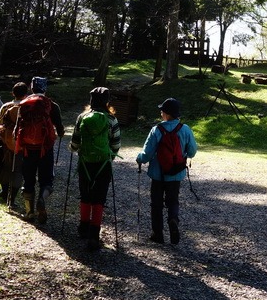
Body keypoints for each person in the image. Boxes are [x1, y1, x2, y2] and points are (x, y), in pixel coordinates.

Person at [136, 97, 197, 245]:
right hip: (176, 174)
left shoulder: (156, 130)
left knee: (156, 204)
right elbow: (192, 151)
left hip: (158, 174)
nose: (161, 113)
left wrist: (140, 159)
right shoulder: (185, 129)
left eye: (162, 111)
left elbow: (147, 153)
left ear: (166, 114)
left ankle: (157, 234)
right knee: (173, 200)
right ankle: (173, 219)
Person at [69, 87, 121, 250]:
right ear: (107, 101)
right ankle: (94, 235)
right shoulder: (112, 120)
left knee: (85, 196)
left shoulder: (82, 117)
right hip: (103, 165)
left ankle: (83, 228)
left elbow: (75, 143)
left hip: (85, 163)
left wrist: (73, 149)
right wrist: (109, 157)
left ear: (91, 101)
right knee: (99, 199)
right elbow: (116, 145)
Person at [19, 76, 64, 223]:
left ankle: (29, 212)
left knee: (28, 180)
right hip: (45, 148)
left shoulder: (24, 104)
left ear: (32, 88)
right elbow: (61, 129)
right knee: (47, 180)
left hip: (27, 149)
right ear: (45, 88)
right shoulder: (51, 105)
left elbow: (17, 129)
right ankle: (41, 199)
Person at [0, 81, 29, 207]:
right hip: (22, 144)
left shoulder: (6, 106)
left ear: (13, 93)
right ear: (26, 93)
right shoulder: (28, 106)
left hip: (4, 143)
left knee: (3, 166)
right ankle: (11, 199)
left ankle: (5, 192)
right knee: (18, 170)